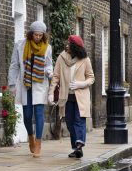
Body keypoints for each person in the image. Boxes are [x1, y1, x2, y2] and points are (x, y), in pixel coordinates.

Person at [8, 21, 53, 158]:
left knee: (39, 113)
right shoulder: (20, 45)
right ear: (31, 33)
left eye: (40, 35)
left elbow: (48, 64)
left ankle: (38, 144)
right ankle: (31, 137)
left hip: (39, 84)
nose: (38, 37)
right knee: (27, 115)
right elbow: (14, 65)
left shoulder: (47, 47)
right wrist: (12, 84)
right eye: (36, 34)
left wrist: (49, 72)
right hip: (25, 84)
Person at [48, 35, 95, 158]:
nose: (67, 46)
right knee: (69, 122)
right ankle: (76, 148)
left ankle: (79, 144)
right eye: (67, 44)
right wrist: (51, 93)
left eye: (69, 44)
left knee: (79, 120)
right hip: (66, 95)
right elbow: (56, 76)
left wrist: (82, 83)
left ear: (75, 47)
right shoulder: (62, 57)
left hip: (80, 96)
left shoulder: (85, 59)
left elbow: (91, 77)